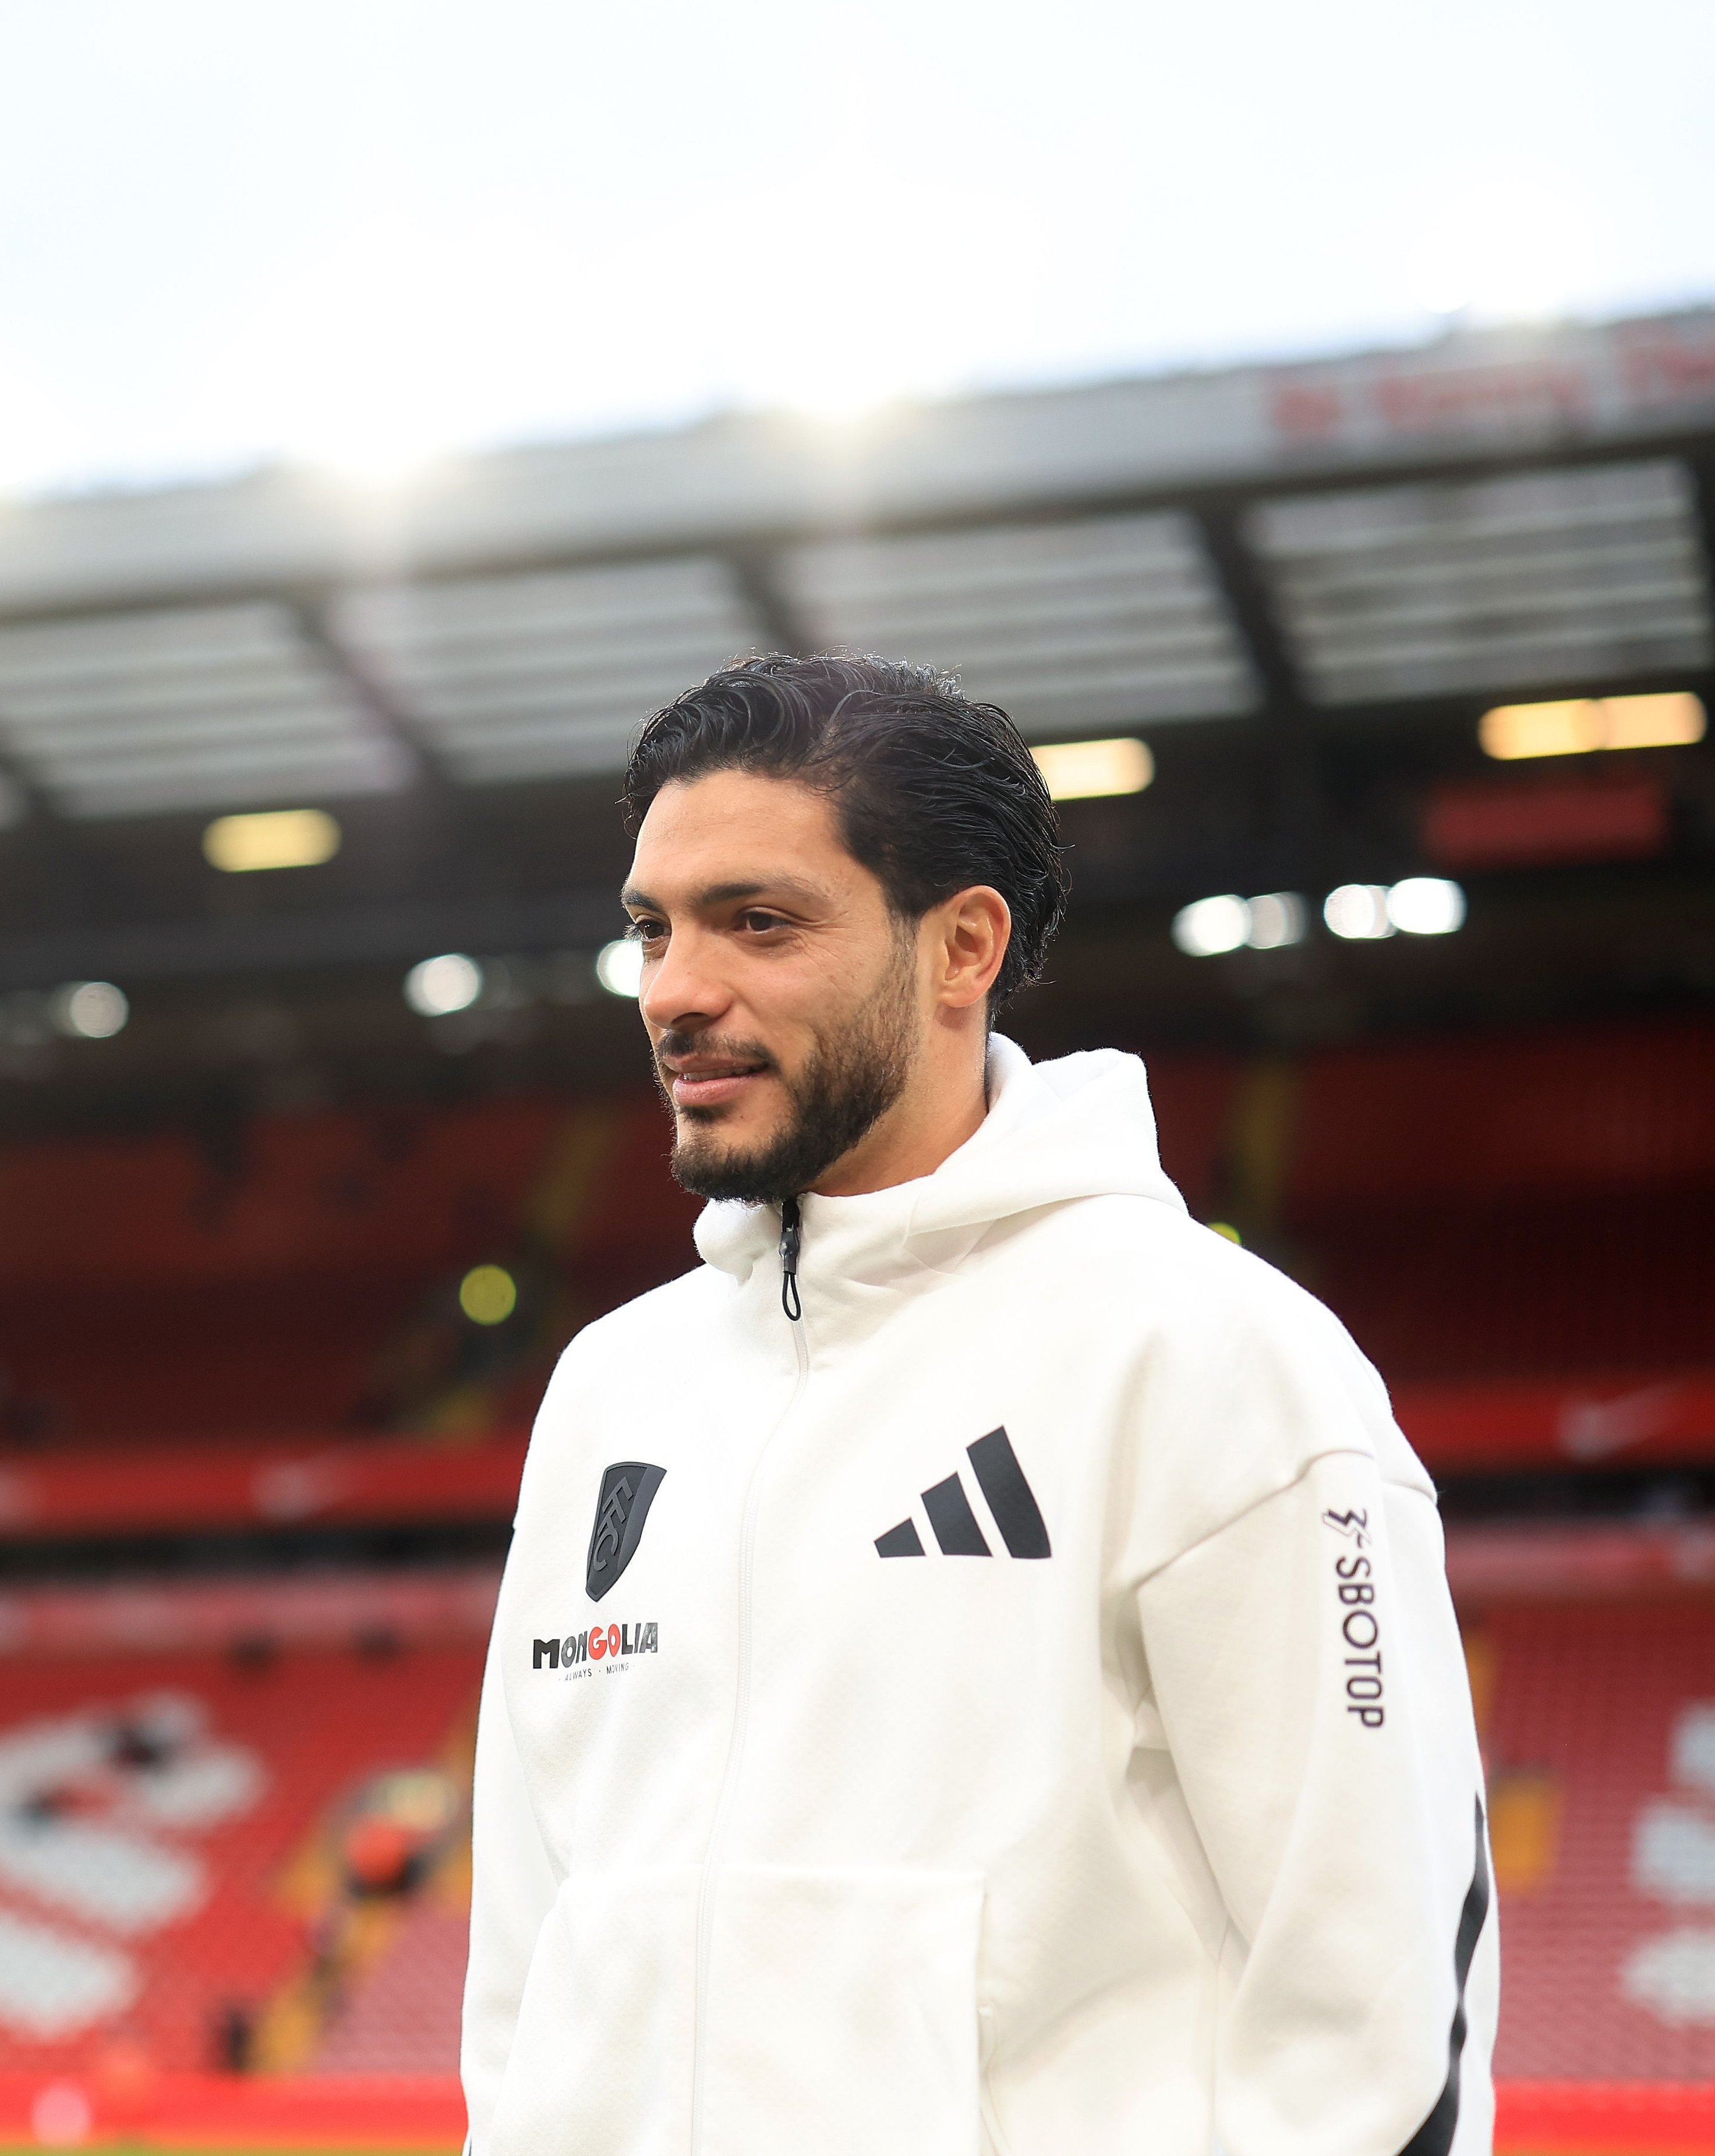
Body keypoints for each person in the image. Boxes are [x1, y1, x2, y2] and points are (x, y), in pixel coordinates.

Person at [462, 654, 1496, 2156]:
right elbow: (525, 1969)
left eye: (759, 921)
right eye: (652, 928)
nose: (675, 990)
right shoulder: (609, 1389)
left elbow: (1383, 2004)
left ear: (962, 947)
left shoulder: (1206, 1352)